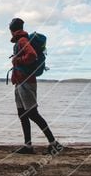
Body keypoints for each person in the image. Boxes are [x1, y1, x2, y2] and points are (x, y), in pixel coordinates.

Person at [8, 17, 64, 155]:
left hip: (26, 82)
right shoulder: (20, 40)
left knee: (32, 114)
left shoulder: (22, 40)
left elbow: (32, 55)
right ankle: (28, 146)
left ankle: (54, 144)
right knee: (22, 114)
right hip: (20, 82)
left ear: (11, 30)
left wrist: (17, 60)